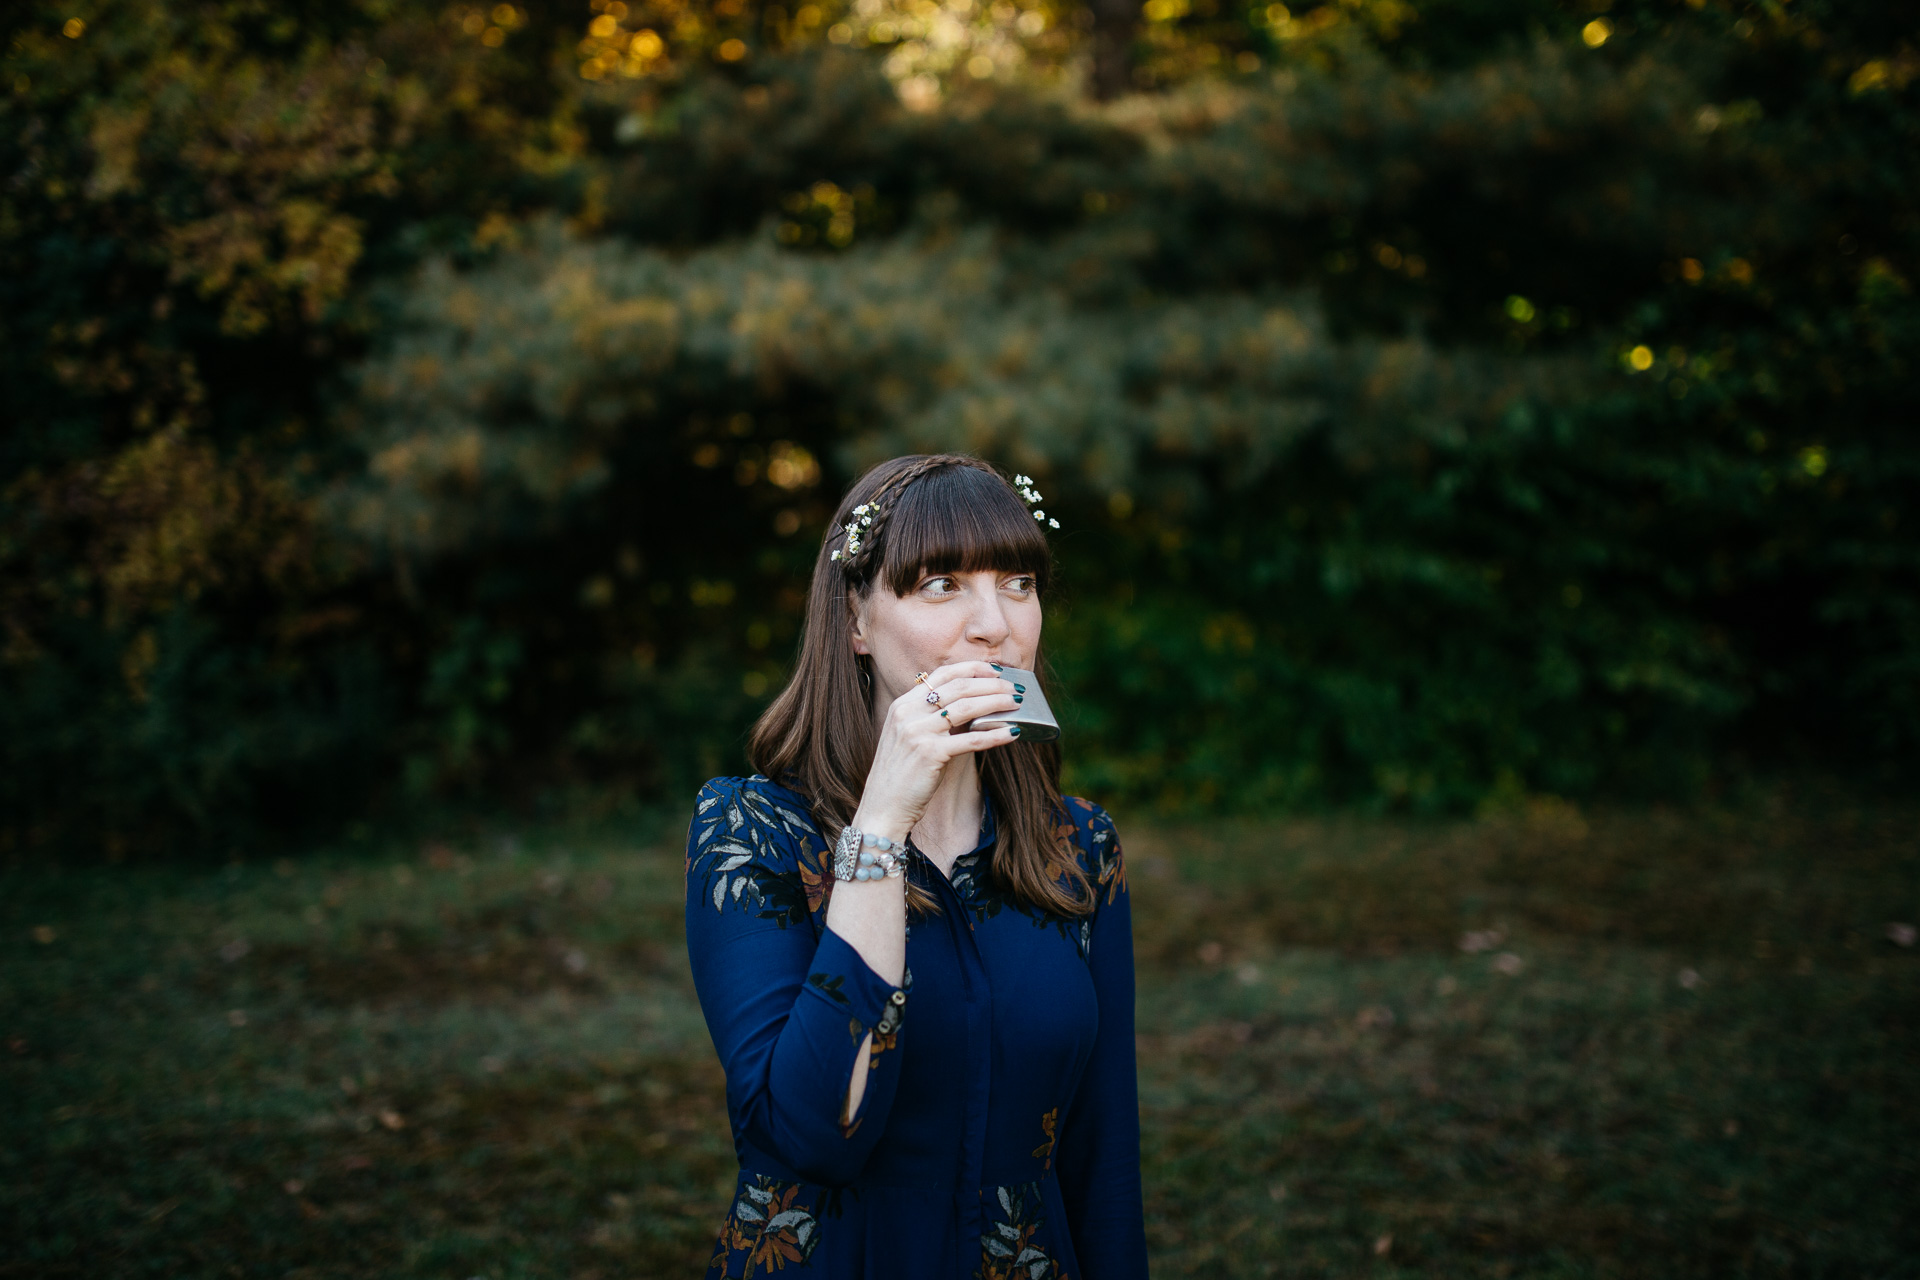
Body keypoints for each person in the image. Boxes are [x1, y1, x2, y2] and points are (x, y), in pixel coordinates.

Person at [685, 454, 1149, 1279]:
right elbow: (811, 1138)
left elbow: (1102, 1157)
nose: (995, 624)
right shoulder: (752, 831)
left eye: (1017, 582)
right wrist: (882, 823)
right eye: (941, 584)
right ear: (857, 623)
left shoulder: (1078, 848)